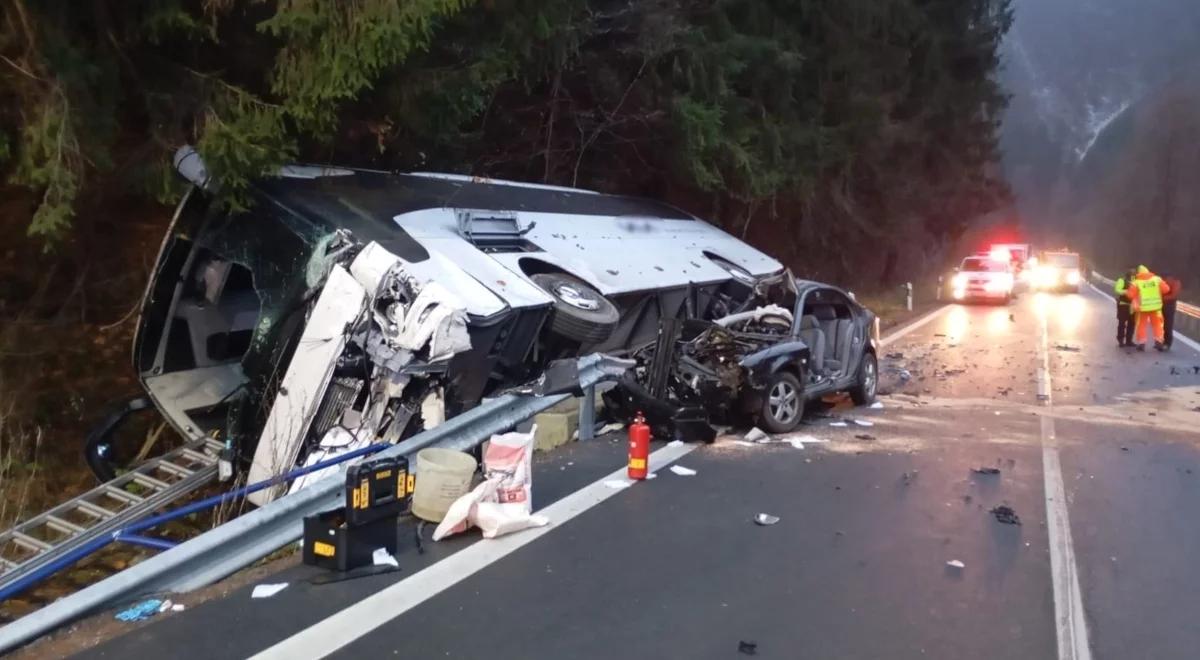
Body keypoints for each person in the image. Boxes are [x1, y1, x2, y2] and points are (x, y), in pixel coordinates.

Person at [1125, 265, 1171, 351]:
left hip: (1143, 308)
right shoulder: (1157, 279)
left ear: (1138, 273)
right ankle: (1158, 341)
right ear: (1148, 271)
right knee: (1157, 325)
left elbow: (1130, 295)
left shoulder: (1136, 282)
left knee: (1141, 325)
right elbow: (1166, 289)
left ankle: (1141, 343)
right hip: (1156, 307)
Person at [1114, 268, 1136, 347]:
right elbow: (1117, 290)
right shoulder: (1122, 280)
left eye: (1134, 272)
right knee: (1122, 323)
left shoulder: (1135, 281)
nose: (1133, 273)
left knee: (1132, 324)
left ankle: (1129, 340)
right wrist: (1126, 291)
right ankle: (1120, 340)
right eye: (1131, 272)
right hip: (1123, 305)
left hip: (1133, 306)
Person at [1162, 274, 1182, 351]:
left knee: (1168, 325)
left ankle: (1167, 343)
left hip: (1169, 306)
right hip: (1162, 305)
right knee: (1161, 325)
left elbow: (1174, 296)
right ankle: (1161, 341)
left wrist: (1162, 298)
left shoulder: (1176, 283)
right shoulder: (1164, 282)